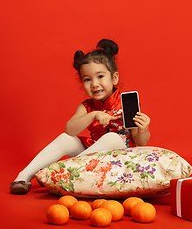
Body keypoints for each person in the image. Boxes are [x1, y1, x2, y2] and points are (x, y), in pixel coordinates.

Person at [10, 39, 151, 194]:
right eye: (87, 79)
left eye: (100, 76)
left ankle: (61, 171)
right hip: (89, 158)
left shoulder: (126, 103)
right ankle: (23, 177)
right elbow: (70, 130)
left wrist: (143, 129)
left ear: (114, 78)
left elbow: (140, 141)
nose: (94, 84)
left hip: (118, 160)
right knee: (65, 138)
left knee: (113, 138)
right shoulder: (87, 106)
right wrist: (93, 115)